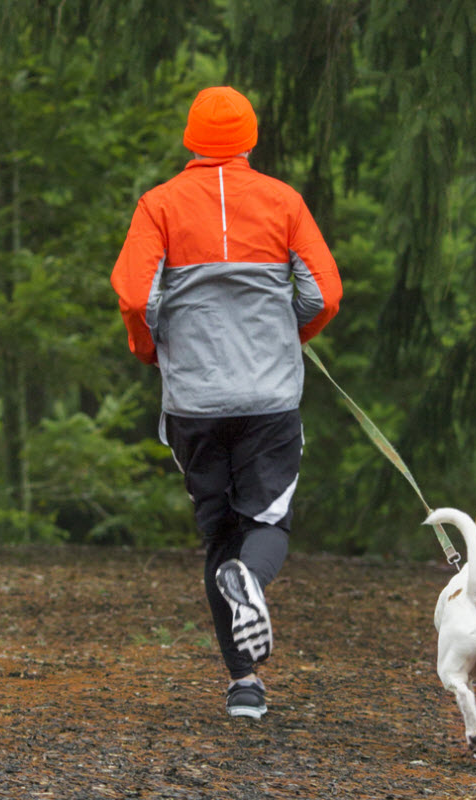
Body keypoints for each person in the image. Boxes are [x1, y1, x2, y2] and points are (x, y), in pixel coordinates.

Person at [109, 86, 343, 720]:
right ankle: (254, 584)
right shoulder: (282, 201)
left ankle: (244, 684)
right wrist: (288, 333)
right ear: (250, 139)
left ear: (190, 139)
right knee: (266, 522)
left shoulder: (158, 205)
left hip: (195, 401)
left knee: (218, 536)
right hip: (268, 398)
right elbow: (324, 293)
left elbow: (135, 296)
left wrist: (151, 346)